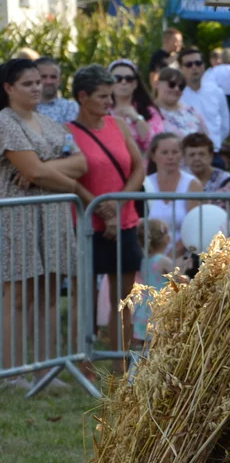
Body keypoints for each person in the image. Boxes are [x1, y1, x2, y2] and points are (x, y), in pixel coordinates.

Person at [0, 58, 85, 373]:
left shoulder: (51, 123)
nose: (37, 87)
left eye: (38, 82)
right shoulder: (5, 121)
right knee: (19, 293)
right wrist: (54, 176)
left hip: (53, 213)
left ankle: (47, 369)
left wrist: (43, 170)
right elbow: (31, 169)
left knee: (50, 289)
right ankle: (14, 371)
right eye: (28, 83)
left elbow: (80, 162)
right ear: (9, 88)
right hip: (18, 215)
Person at [68, 65, 145, 370]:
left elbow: (138, 167)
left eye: (110, 95)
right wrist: (99, 206)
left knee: (123, 299)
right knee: (83, 298)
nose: (109, 102)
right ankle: (83, 365)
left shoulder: (119, 126)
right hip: (86, 225)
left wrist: (119, 200)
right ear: (82, 96)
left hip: (124, 221)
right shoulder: (67, 132)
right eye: (102, 96)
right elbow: (70, 178)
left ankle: (121, 364)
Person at [144, 131, 202, 260]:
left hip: (184, 256)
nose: (170, 157)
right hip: (148, 256)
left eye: (175, 152)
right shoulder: (145, 184)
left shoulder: (193, 184)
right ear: (153, 156)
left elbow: (193, 228)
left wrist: (169, 257)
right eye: (165, 153)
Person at [178, 48, 230, 163]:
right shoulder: (176, 94)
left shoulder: (217, 92)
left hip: (213, 154)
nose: (194, 67)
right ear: (180, 68)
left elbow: (225, 124)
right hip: (185, 157)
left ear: (203, 66)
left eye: (198, 63)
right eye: (189, 64)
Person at [131, 217, 175, 350]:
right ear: (167, 240)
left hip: (143, 308)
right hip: (159, 308)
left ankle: (135, 368)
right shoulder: (164, 261)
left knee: (142, 346)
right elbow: (179, 279)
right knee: (157, 345)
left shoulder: (145, 261)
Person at [108, 59, 163, 154]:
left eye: (129, 79)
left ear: (135, 84)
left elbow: (156, 145)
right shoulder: (100, 111)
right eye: (117, 79)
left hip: (142, 166)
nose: (123, 82)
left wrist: (137, 119)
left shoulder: (149, 111)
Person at [154, 67, 207, 140]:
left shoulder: (192, 112)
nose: (176, 89)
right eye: (172, 84)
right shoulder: (149, 112)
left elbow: (205, 140)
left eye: (181, 86)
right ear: (157, 84)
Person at [34, 57, 79, 124]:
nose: (49, 81)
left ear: (60, 81)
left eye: (53, 77)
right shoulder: (23, 107)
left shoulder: (70, 107)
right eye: (43, 77)